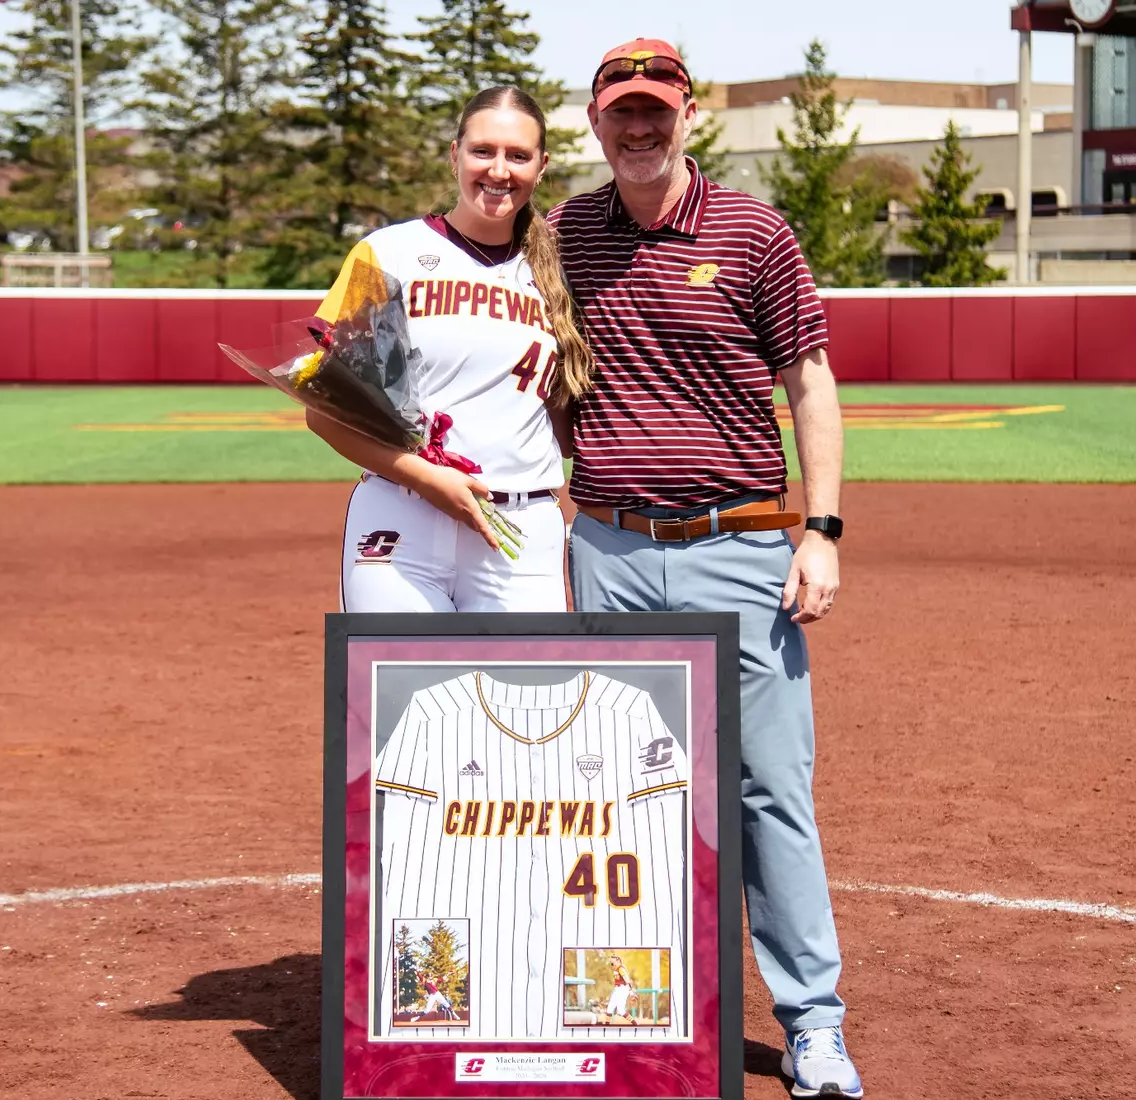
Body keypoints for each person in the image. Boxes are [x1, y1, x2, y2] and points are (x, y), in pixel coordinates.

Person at [549, 39, 861, 1100]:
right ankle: (634, 1007)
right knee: (615, 797)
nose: (639, 127)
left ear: (688, 115)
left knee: (771, 791)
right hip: (610, 549)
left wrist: (820, 527)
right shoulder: (565, 235)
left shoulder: (754, 230)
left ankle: (813, 1021)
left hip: (738, 547)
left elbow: (809, 382)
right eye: (620, 111)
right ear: (595, 122)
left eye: (657, 109)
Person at [304, 87, 592, 613]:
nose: (499, 170)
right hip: (401, 511)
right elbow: (324, 415)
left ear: (542, 166)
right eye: (483, 151)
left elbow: (564, 423)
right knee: (400, 693)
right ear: (453, 153)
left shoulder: (561, 270)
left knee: (517, 696)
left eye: (518, 155)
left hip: (519, 528)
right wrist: (426, 477)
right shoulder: (388, 253)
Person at [604, 953, 635, 1024]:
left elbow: (627, 979)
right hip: (618, 989)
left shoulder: (621, 968)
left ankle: (635, 1024)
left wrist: (630, 991)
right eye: (611, 960)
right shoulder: (616, 969)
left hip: (622, 989)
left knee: (617, 1010)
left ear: (618, 960)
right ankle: (606, 1025)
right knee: (614, 1009)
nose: (612, 962)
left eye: (613, 960)